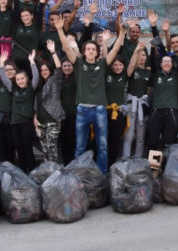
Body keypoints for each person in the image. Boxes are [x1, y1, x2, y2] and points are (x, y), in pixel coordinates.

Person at [56, 13, 130, 174]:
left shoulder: (103, 64)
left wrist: (122, 33)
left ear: (97, 52)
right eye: (87, 49)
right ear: (83, 52)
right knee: (80, 146)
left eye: (93, 49)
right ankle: (79, 174)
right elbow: (67, 47)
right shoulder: (78, 64)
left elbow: (116, 48)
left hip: (99, 110)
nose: (90, 50)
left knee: (102, 146)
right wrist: (60, 30)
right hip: (82, 110)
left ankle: (102, 174)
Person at [0, 49, 39, 172]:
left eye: (22, 78)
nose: (20, 81)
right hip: (15, 124)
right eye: (18, 79)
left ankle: (32, 173)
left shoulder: (31, 88)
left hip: (26, 123)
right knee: (19, 149)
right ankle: (22, 173)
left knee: (27, 149)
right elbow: (4, 79)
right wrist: (1, 63)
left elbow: (36, 76)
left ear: (27, 79)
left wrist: (32, 62)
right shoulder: (14, 89)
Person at [35, 40, 66, 164]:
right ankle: (47, 174)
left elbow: (59, 68)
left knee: (52, 151)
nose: (44, 72)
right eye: (42, 70)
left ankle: (53, 176)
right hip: (40, 122)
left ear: (50, 70)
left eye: (46, 69)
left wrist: (53, 52)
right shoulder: (39, 85)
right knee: (45, 151)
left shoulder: (55, 81)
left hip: (52, 121)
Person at [126, 40, 152, 157]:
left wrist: (145, 103)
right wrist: (136, 50)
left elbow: (148, 90)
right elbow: (131, 66)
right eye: (140, 55)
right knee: (129, 135)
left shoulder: (148, 73)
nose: (142, 57)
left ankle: (138, 158)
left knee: (141, 136)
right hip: (131, 104)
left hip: (142, 105)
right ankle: (125, 158)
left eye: (144, 55)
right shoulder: (132, 70)